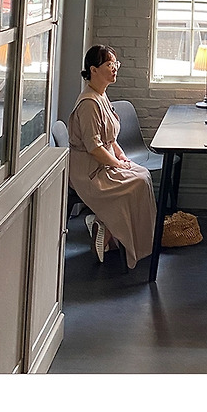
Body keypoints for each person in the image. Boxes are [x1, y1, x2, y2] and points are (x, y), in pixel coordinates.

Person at [66, 45, 157, 268]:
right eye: (109, 64)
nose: (115, 68)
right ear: (93, 69)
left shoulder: (102, 96)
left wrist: (122, 157)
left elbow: (110, 138)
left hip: (103, 162)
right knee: (135, 182)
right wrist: (117, 163)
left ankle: (115, 232)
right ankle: (112, 230)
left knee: (143, 175)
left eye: (115, 64)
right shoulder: (89, 104)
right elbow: (94, 147)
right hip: (89, 171)